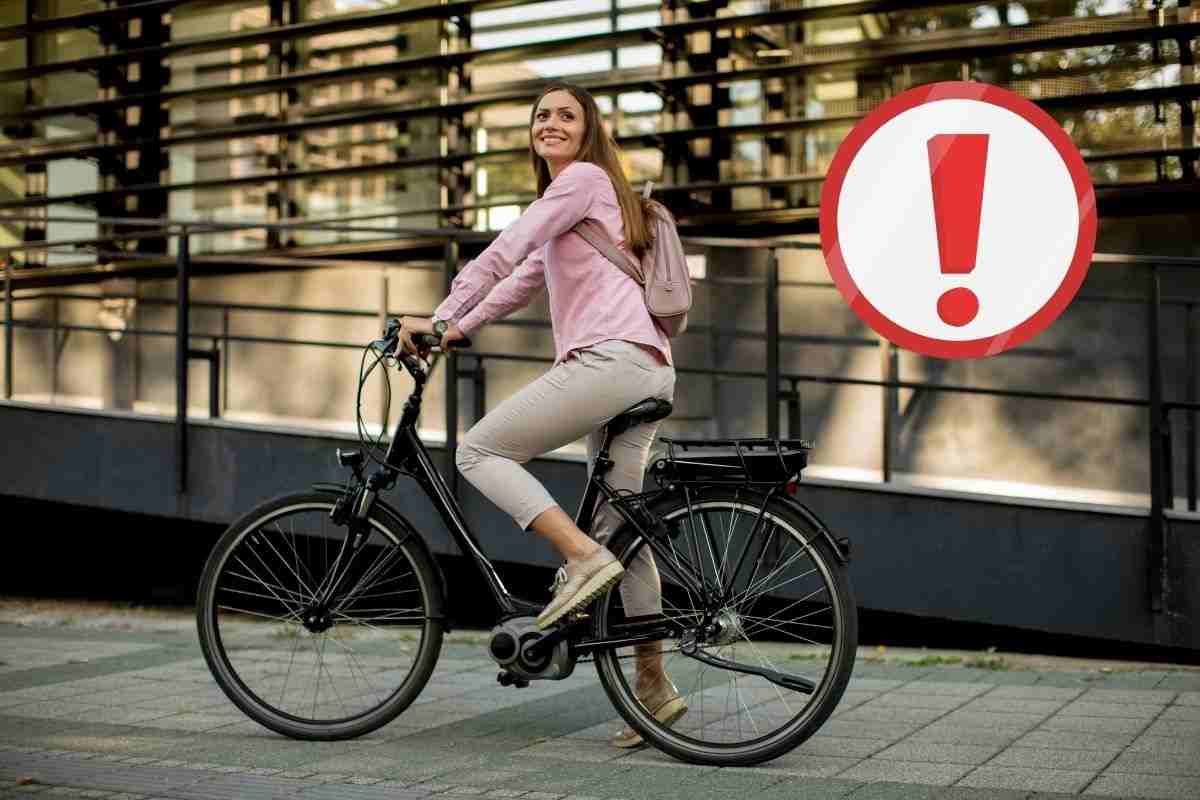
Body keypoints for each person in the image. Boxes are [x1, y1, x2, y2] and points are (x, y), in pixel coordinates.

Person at [395, 81, 685, 748]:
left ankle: (579, 561)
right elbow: (521, 279)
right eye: (541, 115)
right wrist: (458, 328)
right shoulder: (579, 208)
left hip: (611, 362)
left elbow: (505, 248)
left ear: (589, 134)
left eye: (565, 115)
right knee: (624, 532)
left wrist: (437, 316)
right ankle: (652, 690)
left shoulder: (580, 181)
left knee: (480, 452)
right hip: (645, 365)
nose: (550, 123)